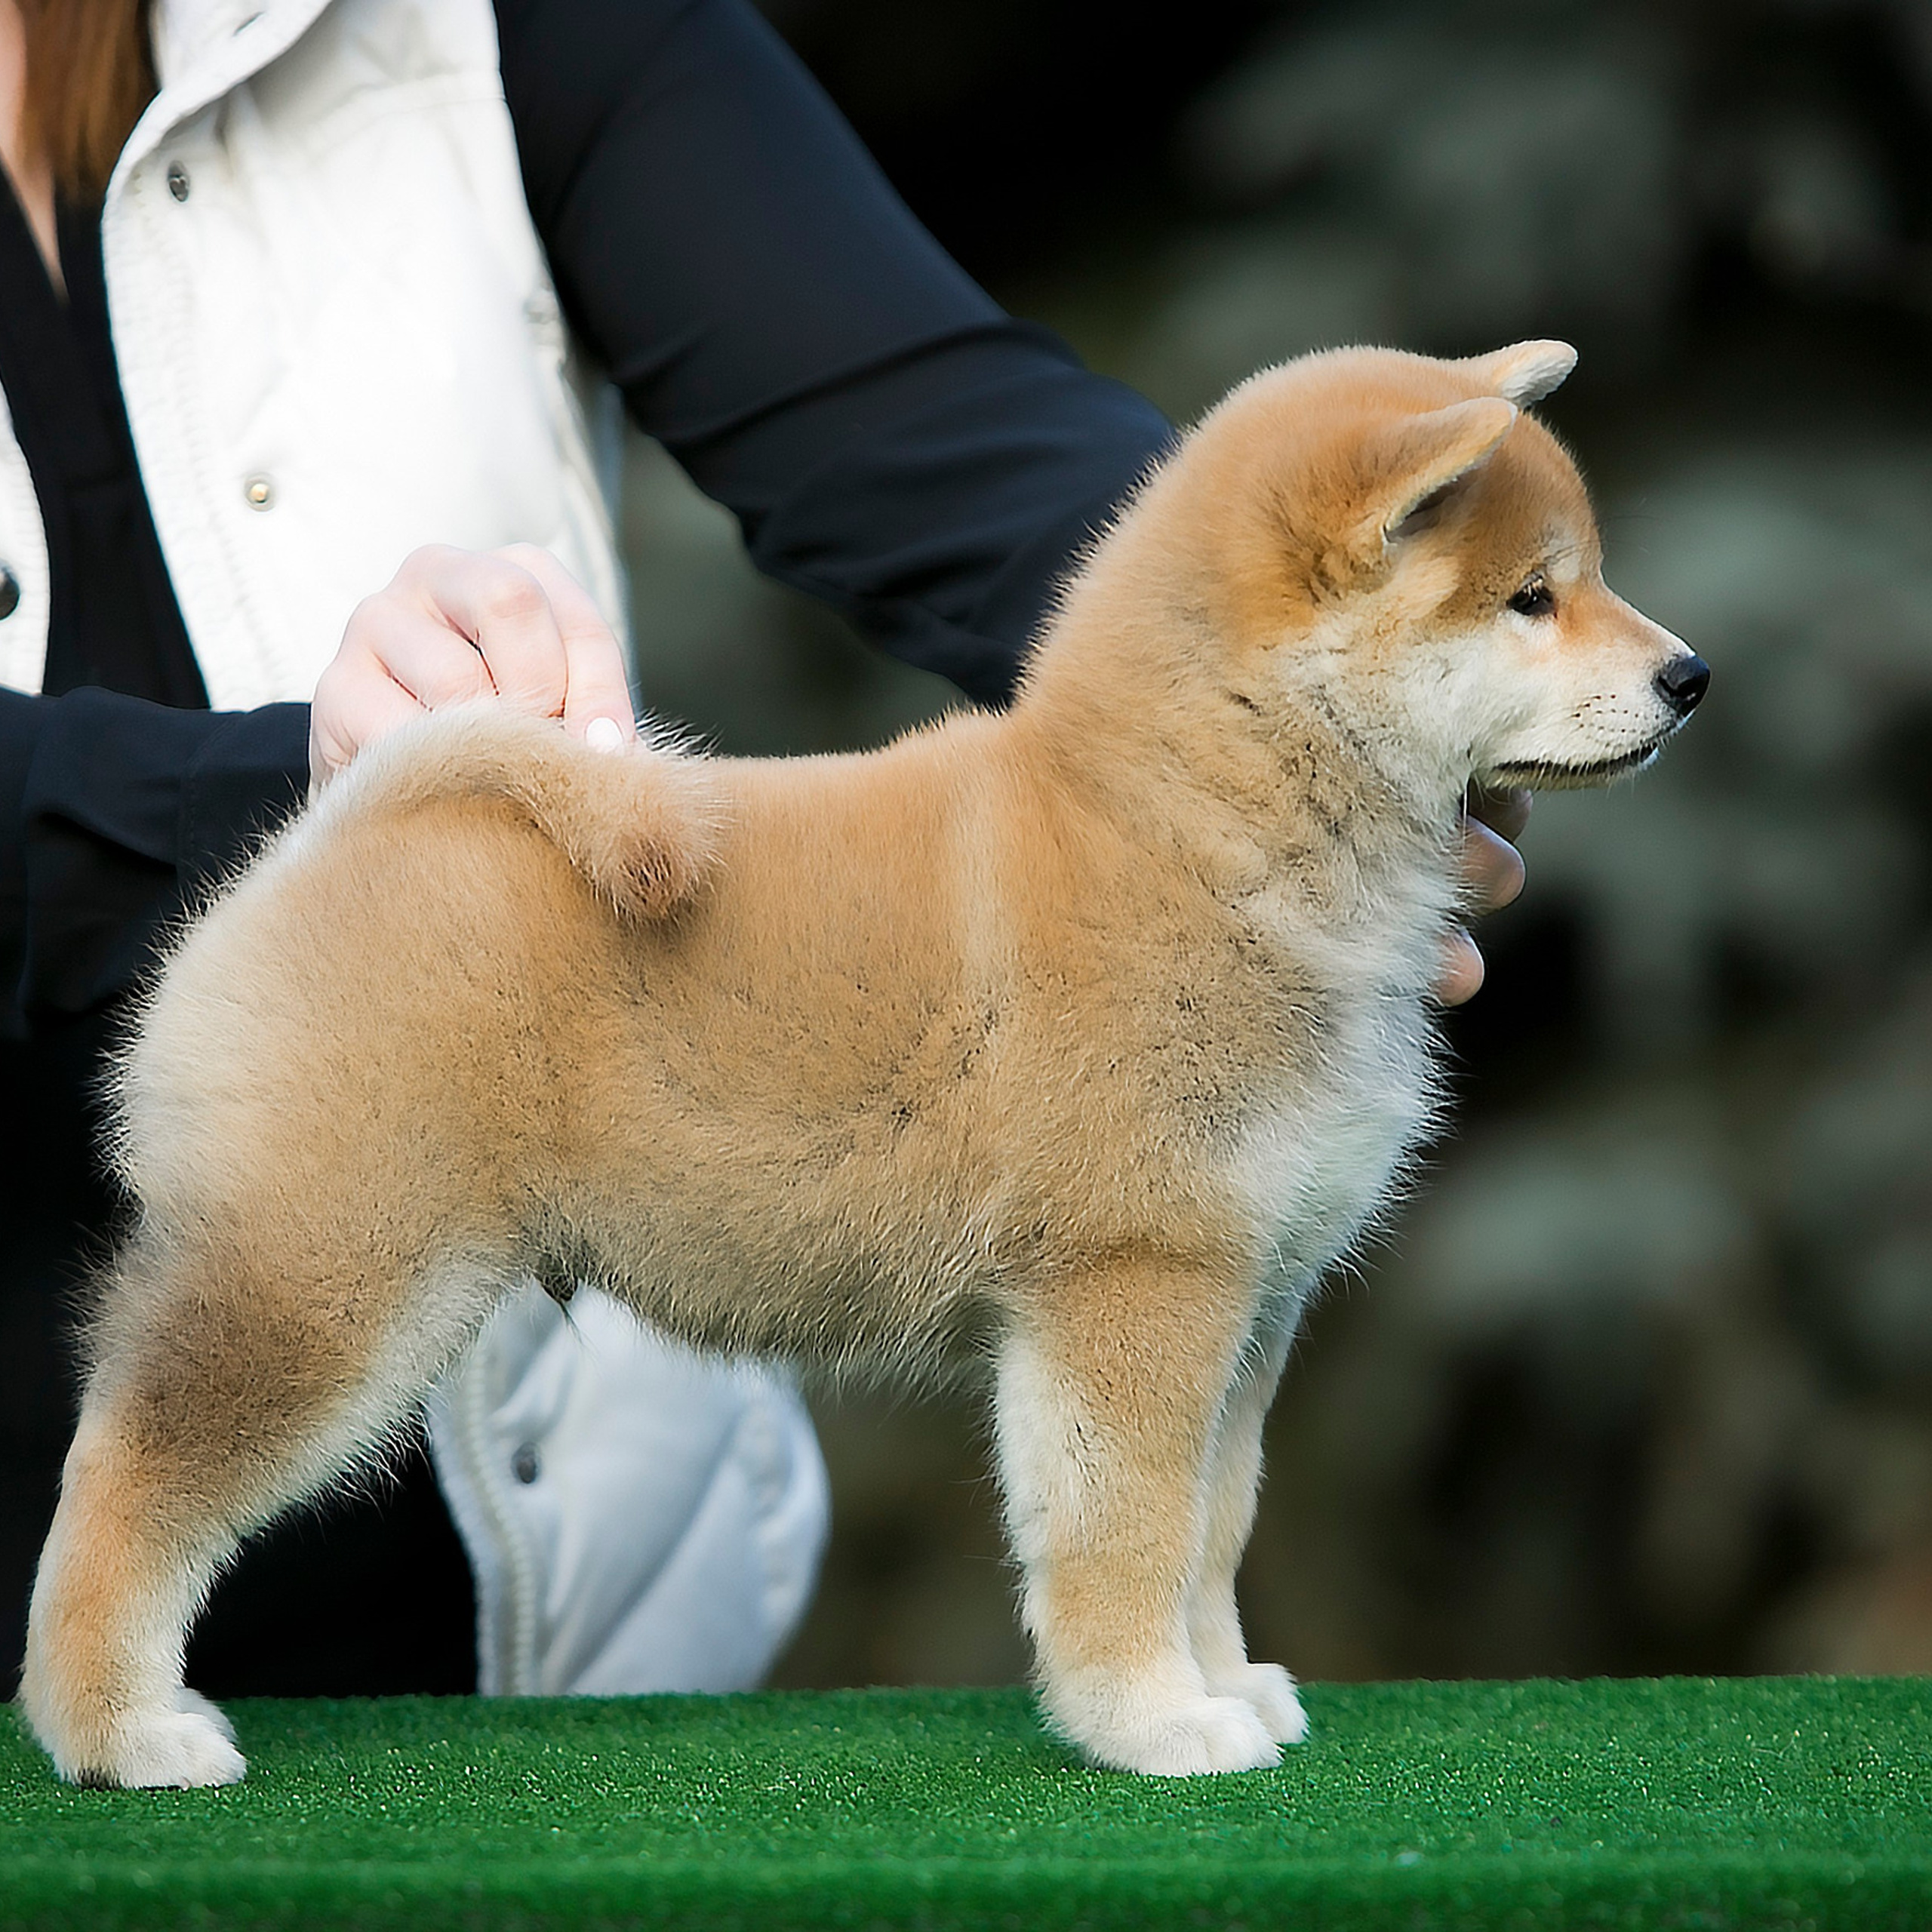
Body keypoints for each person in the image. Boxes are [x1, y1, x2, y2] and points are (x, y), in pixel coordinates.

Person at [0, 0, 1527, 1699]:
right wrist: (291, 784)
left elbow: (918, 421)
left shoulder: (498, 24)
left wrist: (1263, 672)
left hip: (566, 1551)